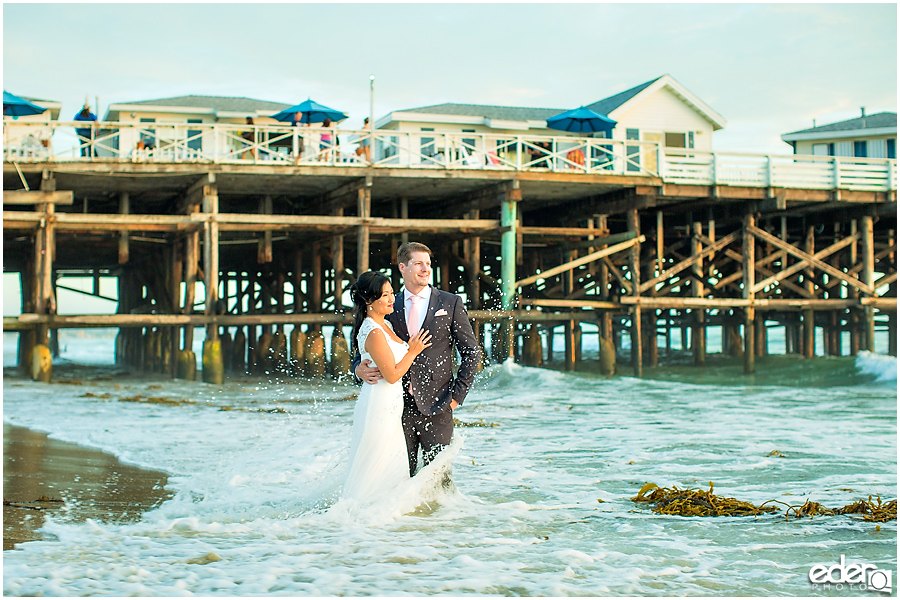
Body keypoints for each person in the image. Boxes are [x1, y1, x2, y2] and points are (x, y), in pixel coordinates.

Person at [353, 242, 481, 478]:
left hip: (439, 406)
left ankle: (441, 517)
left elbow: (472, 352)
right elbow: (365, 349)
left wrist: (456, 398)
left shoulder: (450, 303)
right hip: (396, 409)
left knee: (439, 479)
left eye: (428, 264)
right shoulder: (389, 306)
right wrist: (357, 370)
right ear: (403, 267)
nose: (426, 269)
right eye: (418, 263)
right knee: (399, 479)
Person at [342, 271, 432, 500]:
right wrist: (412, 351)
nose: (392, 299)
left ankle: (385, 525)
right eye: (385, 295)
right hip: (378, 405)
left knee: (390, 461)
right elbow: (391, 375)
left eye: (392, 292)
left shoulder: (387, 324)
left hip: (390, 405)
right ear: (369, 301)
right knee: (378, 462)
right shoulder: (373, 331)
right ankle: (363, 517)